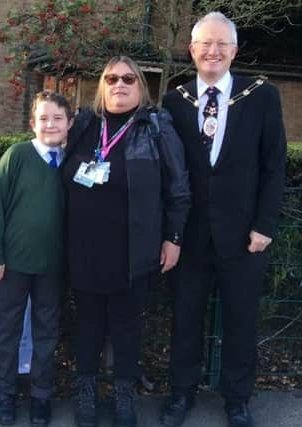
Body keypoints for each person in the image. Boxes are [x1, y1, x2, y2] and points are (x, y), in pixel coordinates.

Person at [160, 12, 287, 427]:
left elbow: (274, 165)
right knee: (186, 318)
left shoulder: (261, 95)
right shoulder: (175, 99)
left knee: (240, 319)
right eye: (204, 44)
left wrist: (265, 225)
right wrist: (170, 232)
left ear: (234, 50)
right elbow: (168, 172)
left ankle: (237, 399)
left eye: (221, 44)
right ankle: (181, 394)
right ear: (192, 50)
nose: (212, 51)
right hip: (190, 236)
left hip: (244, 235)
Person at [63, 56, 191, 427]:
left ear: (141, 86)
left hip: (133, 251)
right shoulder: (83, 124)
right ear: (102, 84)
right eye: (111, 78)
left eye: (128, 79)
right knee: (86, 324)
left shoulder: (156, 127)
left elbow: (179, 188)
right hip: (83, 248)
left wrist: (174, 237)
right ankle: (86, 391)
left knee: (126, 326)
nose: (119, 84)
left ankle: (123, 393)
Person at [0, 90, 74, 426]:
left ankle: (41, 396)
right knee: (7, 331)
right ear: (32, 123)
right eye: (43, 118)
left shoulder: (73, 161)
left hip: (52, 267)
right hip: (13, 265)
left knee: (46, 333)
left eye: (57, 118)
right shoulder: (17, 155)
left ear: (69, 123)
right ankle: (5, 394)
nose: (50, 124)